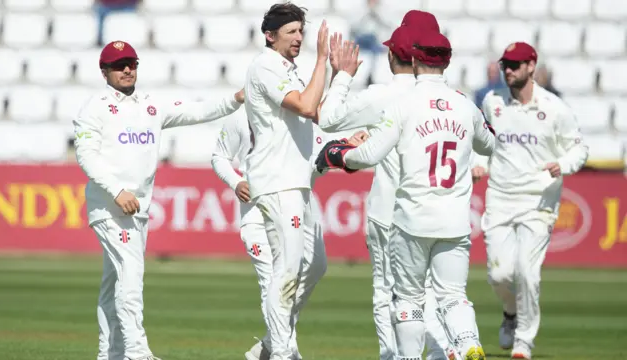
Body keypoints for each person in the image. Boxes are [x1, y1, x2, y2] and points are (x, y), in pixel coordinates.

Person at [318, 31, 493, 360]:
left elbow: (356, 143)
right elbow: (490, 144)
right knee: (453, 295)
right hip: (454, 219)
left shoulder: (398, 101)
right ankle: (466, 343)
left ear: (413, 60)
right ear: (448, 61)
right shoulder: (463, 104)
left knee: (404, 298)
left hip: (405, 216)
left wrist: (339, 156)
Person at [73, 40, 244, 360]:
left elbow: (195, 110)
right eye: (119, 65)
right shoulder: (94, 106)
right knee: (131, 275)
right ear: (104, 71)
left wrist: (235, 99)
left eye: (132, 63)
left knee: (116, 283)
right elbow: (86, 156)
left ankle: (110, 354)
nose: (127, 69)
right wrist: (116, 190)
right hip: (110, 207)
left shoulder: (150, 104)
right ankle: (137, 352)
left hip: (137, 207)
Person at [210, 114, 367, 360]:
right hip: (258, 209)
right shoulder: (242, 117)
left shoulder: (302, 117)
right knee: (274, 279)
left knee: (316, 266)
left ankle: (271, 343)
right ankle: (285, 352)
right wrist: (235, 181)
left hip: (300, 202)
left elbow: (320, 156)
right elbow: (219, 156)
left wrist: (348, 144)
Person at [476, 42, 588, 360]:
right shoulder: (492, 101)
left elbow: (578, 148)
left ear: (531, 66)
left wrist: (562, 165)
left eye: (515, 64)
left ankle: (524, 340)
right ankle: (511, 313)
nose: (508, 70)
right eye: (505, 64)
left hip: (538, 200)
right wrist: (479, 162)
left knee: (527, 271)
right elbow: (482, 142)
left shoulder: (555, 107)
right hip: (499, 197)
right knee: (499, 275)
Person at [243, 3, 330, 360]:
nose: (299, 38)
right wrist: (324, 60)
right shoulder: (265, 65)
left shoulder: (289, 70)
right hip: (277, 182)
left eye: (301, 31)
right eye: (291, 31)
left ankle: (268, 344)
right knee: (288, 270)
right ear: (270, 34)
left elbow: (313, 116)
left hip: (297, 180)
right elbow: (307, 107)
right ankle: (280, 351)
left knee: (316, 264)